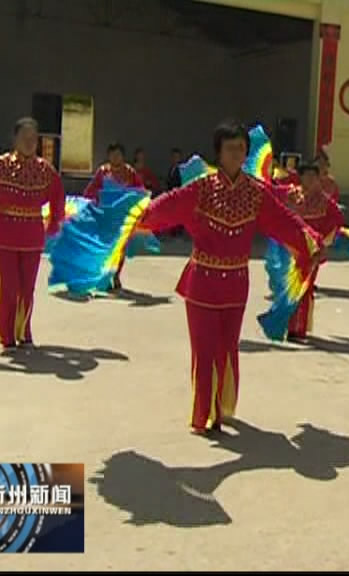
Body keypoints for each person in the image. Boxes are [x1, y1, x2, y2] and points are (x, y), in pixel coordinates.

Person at [138, 120, 323, 435]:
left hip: (236, 285)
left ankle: (221, 409)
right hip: (202, 283)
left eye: (241, 148)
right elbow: (165, 208)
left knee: (227, 348)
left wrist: (308, 241)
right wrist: (132, 218)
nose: (236, 153)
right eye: (230, 148)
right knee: (204, 349)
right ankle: (204, 416)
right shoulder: (201, 189)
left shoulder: (256, 193)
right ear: (219, 153)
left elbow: (284, 221)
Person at [0, 117, 65, 351]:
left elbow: (58, 195)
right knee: (10, 286)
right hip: (6, 233)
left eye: (34, 139)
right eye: (25, 138)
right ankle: (7, 334)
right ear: (15, 139)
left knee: (28, 287)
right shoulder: (0, 165)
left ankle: (25, 331)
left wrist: (55, 221)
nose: (30, 143)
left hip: (32, 234)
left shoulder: (45, 169)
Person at [276, 163, 344, 342]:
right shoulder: (292, 195)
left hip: (312, 251)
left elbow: (336, 221)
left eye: (313, 177)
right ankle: (290, 325)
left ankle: (298, 329)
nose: (310, 181)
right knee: (289, 286)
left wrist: (323, 244)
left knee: (304, 287)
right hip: (292, 249)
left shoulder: (325, 201)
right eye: (306, 176)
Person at [83, 142, 145, 291]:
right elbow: (90, 191)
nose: (115, 157)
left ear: (123, 156)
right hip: (105, 217)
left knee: (120, 249)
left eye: (118, 154)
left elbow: (140, 190)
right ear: (108, 156)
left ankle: (116, 275)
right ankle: (105, 277)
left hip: (122, 217)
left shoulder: (130, 172)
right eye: (113, 154)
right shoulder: (103, 172)